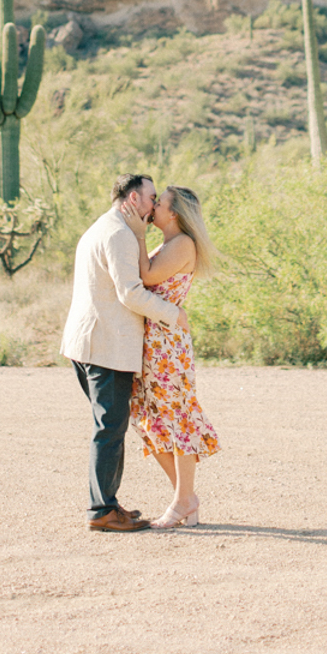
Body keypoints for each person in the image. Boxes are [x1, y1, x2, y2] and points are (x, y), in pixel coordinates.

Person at [60, 173, 189, 532]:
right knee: (110, 427)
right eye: (151, 198)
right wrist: (173, 314)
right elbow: (130, 292)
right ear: (133, 199)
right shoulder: (119, 234)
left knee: (110, 425)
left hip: (90, 341)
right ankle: (101, 510)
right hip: (106, 345)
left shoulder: (104, 227)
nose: (153, 206)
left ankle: (108, 504)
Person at [125, 183, 220, 529]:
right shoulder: (167, 243)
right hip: (156, 340)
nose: (152, 208)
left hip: (167, 344)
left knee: (175, 416)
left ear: (174, 213)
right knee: (148, 417)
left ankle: (184, 500)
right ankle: (186, 500)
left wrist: (135, 234)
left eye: (159, 203)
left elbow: (146, 276)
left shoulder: (182, 244)